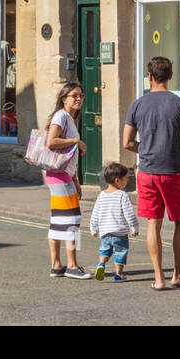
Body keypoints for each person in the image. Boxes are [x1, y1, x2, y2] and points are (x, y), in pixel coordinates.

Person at [122, 56, 180, 290]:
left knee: (152, 224)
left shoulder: (137, 104)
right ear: (170, 76)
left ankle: (159, 279)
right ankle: (178, 273)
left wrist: (145, 149)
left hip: (147, 172)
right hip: (174, 171)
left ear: (149, 77)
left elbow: (127, 142)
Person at [44, 81, 88, 279]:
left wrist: (76, 180)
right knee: (72, 220)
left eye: (81, 95)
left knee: (58, 221)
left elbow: (69, 156)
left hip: (62, 175)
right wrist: (76, 141)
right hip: (58, 176)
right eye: (74, 96)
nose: (79, 99)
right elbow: (51, 142)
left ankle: (56, 265)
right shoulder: (61, 116)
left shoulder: (69, 118)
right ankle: (72, 266)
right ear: (64, 99)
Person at [90, 161, 139, 281]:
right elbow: (129, 214)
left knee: (105, 251)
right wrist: (134, 227)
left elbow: (95, 213)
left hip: (105, 232)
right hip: (120, 233)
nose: (127, 182)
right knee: (120, 253)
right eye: (126, 179)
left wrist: (93, 228)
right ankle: (119, 275)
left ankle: (101, 264)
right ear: (117, 180)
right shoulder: (122, 195)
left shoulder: (101, 195)